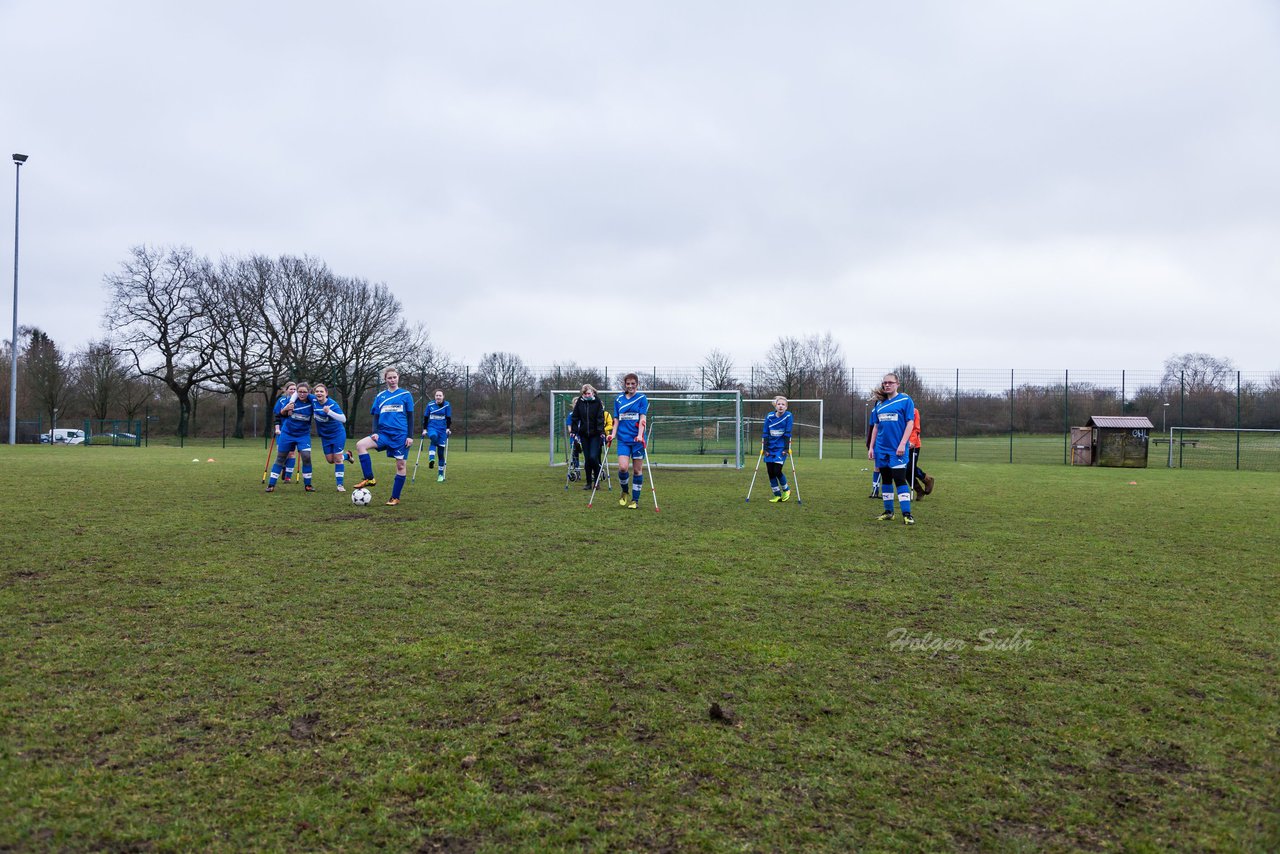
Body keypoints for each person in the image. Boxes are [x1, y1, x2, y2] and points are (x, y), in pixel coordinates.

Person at [354, 367, 414, 506]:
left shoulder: (406, 395)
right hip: (383, 434)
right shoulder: (380, 396)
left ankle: (395, 497)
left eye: (394, 377)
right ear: (385, 379)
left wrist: (410, 436)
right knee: (360, 445)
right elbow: (376, 416)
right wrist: (375, 431)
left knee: (400, 465)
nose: (392, 380)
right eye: (389, 378)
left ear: (398, 377)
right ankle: (369, 478)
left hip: (400, 435)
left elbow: (410, 417)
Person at [868, 372, 916, 525]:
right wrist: (871, 447)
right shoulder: (879, 404)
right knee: (886, 480)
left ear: (897, 384)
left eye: (890, 382)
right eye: (885, 383)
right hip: (881, 449)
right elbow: (876, 426)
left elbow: (910, 423)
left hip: (897, 449)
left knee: (900, 479)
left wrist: (903, 443)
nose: (887, 385)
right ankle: (889, 512)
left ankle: (907, 514)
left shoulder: (905, 400)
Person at [266, 381, 318, 493]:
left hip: (303, 435)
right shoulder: (290, 402)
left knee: (306, 456)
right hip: (287, 433)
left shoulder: (312, 401)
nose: (302, 394)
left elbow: (321, 401)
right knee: (281, 457)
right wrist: (285, 409)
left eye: (304, 392)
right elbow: (280, 414)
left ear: (308, 392)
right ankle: (271, 484)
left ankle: (308, 485)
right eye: (300, 392)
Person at [608, 373, 648, 509]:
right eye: (628, 383)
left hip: (637, 440)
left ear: (637, 384)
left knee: (637, 471)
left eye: (633, 383)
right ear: (625, 384)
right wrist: (612, 434)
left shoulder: (642, 398)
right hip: (623, 440)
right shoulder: (618, 399)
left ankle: (635, 500)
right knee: (623, 467)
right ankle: (624, 490)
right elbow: (616, 419)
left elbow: (643, 418)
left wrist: (640, 435)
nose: (630, 386)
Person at [312, 382, 352, 491]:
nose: (319, 393)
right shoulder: (313, 400)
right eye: (317, 391)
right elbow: (299, 392)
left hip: (337, 434)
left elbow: (343, 419)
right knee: (330, 460)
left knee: (338, 459)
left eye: (321, 391)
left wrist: (329, 412)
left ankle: (340, 485)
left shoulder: (332, 404)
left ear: (326, 393)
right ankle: (347, 456)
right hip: (325, 436)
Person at [571, 384, 606, 490]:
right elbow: (575, 417)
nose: (587, 395)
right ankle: (588, 483)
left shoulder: (597, 402)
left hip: (595, 434)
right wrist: (574, 430)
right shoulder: (580, 403)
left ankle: (597, 481)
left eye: (589, 393)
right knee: (587, 459)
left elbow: (600, 417)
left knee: (593, 457)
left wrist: (601, 431)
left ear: (593, 393)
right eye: (585, 394)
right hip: (584, 435)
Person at [762, 395, 793, 502]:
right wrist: (765, 448)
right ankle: (777, 495)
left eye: (783, 404)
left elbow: (788, 433)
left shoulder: (788, 416)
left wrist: (786, 448)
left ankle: (786, 490)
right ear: (775, 405)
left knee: (777, 470)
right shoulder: (769, 416)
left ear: (786, 407)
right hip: (770, 447)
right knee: (770, 472)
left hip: (781, 448)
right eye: (779, 404)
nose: (780, 406)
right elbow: (765, 432)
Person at [421, 389, 452, 483]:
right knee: (433, 437)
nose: (438, 397)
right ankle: (431, 459)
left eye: (440, 395)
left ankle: (440, 475)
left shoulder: (447, 405)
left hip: (442, 430)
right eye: (436, 395)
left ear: (443, 396)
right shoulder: (430, 405)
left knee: (441, 453)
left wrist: (448, 428)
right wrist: (425, 429)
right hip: (432, 428)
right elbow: (426, 418)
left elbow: (448, 418)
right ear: (434, 397)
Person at [272, 381, 298, 483]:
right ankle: (283, 466)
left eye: (294, 389)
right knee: (281, 453)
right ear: (286, 390)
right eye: (291, 389)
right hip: (282, 430)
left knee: (291, 453)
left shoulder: (300, 401)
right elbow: (277, 416)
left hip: (294, 431)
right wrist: (277, 429)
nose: (293, 391)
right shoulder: (282, 401)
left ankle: (288, 477)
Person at [908, 408, 934, 497]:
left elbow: (916, 429)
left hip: (914, 445)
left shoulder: (914, 411)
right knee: (904, 469)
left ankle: (926, 479)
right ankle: (919, 490)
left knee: (910, 467)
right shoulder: (898, 410)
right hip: (901, 445)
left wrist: (912, 441)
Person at [564, 396, 581, 476]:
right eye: (575, 403)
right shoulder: (571, 415)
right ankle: (577, 470)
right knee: (575, 453)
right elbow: (569, 428)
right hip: (575, 437)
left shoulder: (584, 414)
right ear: (573, 405)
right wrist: (574, 434)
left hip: (584, 437)